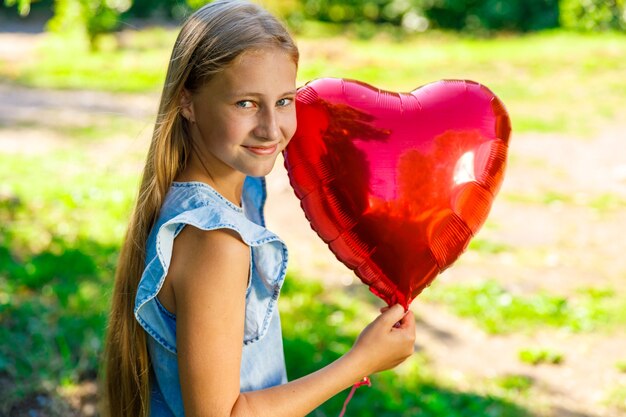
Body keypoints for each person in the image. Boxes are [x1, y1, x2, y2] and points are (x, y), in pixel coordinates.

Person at [102, 1, 416, 416]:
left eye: (284, 101)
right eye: (246, 104)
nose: (271, 128)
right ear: (187, 102)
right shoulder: (215, 240)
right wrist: (360, 362)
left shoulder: (220, 192)